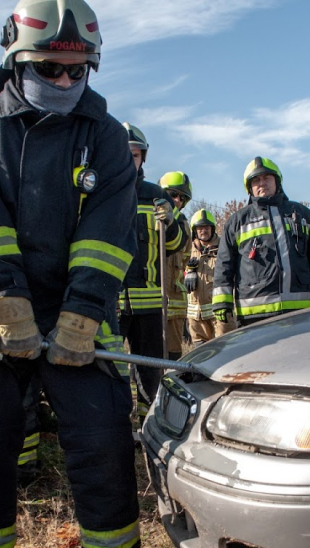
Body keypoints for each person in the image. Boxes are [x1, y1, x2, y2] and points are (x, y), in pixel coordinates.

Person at [0, 0, 141, 548]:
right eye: (49, 68)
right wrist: (9, 306)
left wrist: (82, 313)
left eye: (76, 71)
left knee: (103, 441)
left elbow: (109, 230)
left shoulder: (104, 135)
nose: (63, 82)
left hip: (78, 313)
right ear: (16, 60)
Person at [119, 125, 189, 418]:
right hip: (111, 300)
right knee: (110, 367)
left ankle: (149, 422)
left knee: (150, 369)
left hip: (149, 302)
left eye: (134, 155)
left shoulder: (155, 196)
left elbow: (174, 245)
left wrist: (170, 222)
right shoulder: (100, 192)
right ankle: (118, 420)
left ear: (142, 158)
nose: (128, 160)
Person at [213, 157, 310, 326]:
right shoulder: (237, 221)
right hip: (254, 314)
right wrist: (222, 301)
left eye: (267, 178)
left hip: (301, 310)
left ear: (277, 181)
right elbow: (224, 263)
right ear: (249, 188)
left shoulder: (302, 214)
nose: (262, 183)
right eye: (256, 180)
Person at [157, 171, 194, 359]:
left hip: (176, 299)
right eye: (173, 195)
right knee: (149, 350)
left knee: (173, 352)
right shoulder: (150, 219)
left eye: (182, 197)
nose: (178, 200)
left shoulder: (185, 225)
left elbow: (186, 258)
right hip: (152, 298)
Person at [185, 208, 235, 344]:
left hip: (219, 314)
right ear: (194, 230)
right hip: (196, 316)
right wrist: (187, 272)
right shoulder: (187, 250)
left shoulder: (223, 248)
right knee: (201, 354)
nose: (203, 231)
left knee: (224, 348)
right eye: (200, 228)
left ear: (212, 229)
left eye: (206, 227)